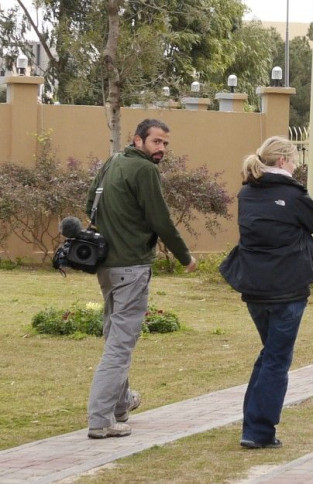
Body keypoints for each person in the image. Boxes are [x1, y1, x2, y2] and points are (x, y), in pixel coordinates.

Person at [86, 118, 197, 439]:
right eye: (156, 142)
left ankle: (121, 404)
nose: (161, 148)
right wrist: (185, 257)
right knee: (120, 345)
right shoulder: (145, 171)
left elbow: (88, 203)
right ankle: (100, 419)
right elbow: (161, 219)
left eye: (165, 143)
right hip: (131, 267)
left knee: (114, 336)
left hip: (106, 266)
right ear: (138, 140)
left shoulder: (113, 162)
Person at [220, 136, 313, 449]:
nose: (295, 166)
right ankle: (258, 431)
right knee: (277, 359)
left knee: (271, 354)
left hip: (254, 287)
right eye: (294, 160)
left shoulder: (246, 192)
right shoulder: (292, 195)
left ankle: (252, 424)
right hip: (287, 289)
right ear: (282, 161)